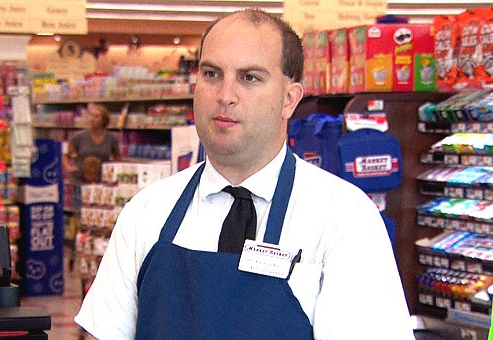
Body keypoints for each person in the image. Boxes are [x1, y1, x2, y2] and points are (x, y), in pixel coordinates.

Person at [75, 9, 414, 340]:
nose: (225, 96)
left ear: (289, 99)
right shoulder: (146, 211)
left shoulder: (344, 218)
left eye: (249, 78)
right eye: (211, 74)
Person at [64, 103, 121, 183]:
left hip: (102, 180)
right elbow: (66, 155)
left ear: (104, 120)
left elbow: (117, 157)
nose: (92, 119)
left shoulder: (111, 138)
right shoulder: (79, 137)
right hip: (80, 180)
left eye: (96, 116)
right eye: (91, 115)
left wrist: (115, 172)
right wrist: (69, 167)